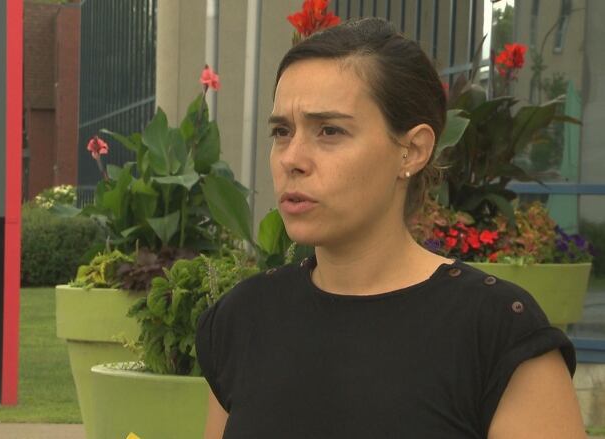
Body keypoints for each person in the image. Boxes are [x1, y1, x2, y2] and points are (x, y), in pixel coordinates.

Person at [195, 17, 587, 439]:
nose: (292, 158)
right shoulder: (243, 321)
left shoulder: (495, 334)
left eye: (329, 130)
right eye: (282, 131)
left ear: (412, 150)